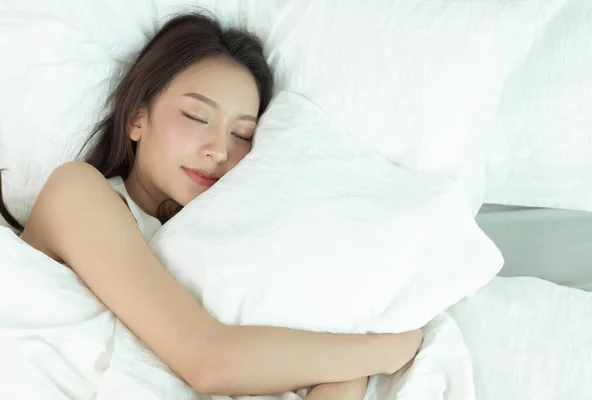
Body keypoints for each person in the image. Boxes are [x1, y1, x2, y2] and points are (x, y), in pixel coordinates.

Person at [0, 12, 422, 398]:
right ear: (136, 119)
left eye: (241, 134)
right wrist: (387, 349)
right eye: (196, 116)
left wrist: (354, 363)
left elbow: (328, 363)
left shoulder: (237, 253)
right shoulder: (78, 192)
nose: (219, 150)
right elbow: (209, 361)